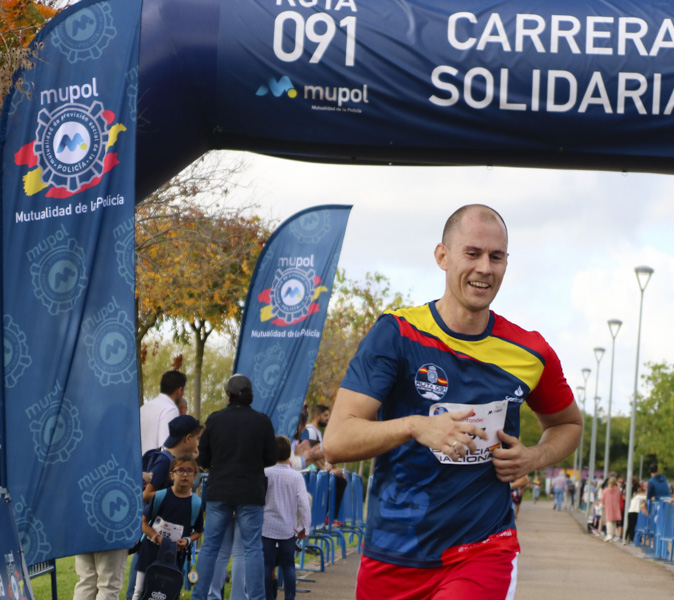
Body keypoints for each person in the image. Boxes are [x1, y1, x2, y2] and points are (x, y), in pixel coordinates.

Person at [324, 204, 582, 599]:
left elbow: (568, 424)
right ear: (442, 256)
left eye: (496, 257)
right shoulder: (396, 334)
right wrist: (415, 426)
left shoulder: (530, 351)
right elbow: (337, 441)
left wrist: (535, 458)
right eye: (473, 253)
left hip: (481, 549)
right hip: (393, 552)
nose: (484, 268)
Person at [191, 375, 278, 600]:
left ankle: (199, 596)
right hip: (251, 492)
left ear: (228, 395)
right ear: (250, 396)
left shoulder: (215, 420)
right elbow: (270, 457)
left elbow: (203, 458)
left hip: (219, 490)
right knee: (252, 549)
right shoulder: (263, 421)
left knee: (210, 547)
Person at [132, 455, 205, 600]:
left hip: (174, 557)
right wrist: (156, 537)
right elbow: (143, 522)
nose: (185, 474)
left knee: (169, 593)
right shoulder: (159, 496)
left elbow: (199, 531)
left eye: (190, 471)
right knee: (140, 591)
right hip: (150, 551)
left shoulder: (196, 504)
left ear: (195, 475)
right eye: (180, 470)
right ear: (172, 474)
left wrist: (187, 541)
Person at [262, 436, 311, 600]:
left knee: (267, 566)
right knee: (289, 566)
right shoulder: (296, 477)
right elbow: (304, 503)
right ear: (289, 454)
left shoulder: (265, 473)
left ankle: (268, 597)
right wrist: (304, 527)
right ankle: (289, 597)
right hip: (288, 529)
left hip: (266, 528)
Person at [141, 370, 186, 455]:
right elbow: (166, 448)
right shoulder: (170, 409)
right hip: (156, 466)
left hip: (139, 465)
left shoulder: (143, 408)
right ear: (179, 391)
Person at [601, 476, 623, 542]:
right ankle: (612, 535)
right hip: (616, 507)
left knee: (609, 521)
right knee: (614, 521)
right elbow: (619, 498)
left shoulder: (606, 490)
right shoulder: (618, 490)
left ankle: (609, 535)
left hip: (608, 506)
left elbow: (603, 500)